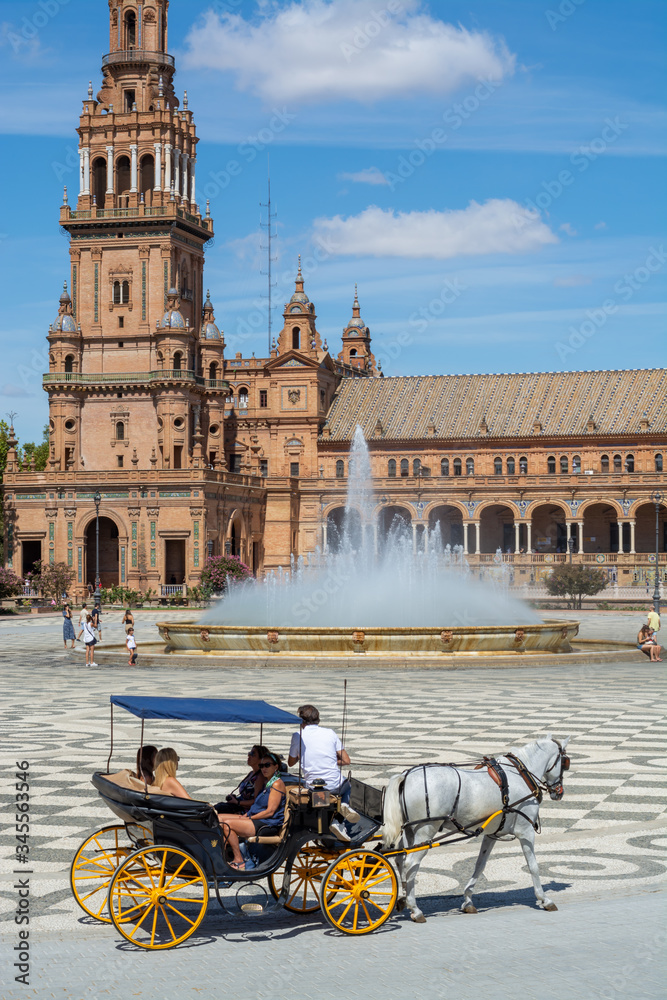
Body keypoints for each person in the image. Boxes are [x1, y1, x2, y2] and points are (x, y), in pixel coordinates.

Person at [288, 704, 357, 841]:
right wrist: (330, 761)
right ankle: (340, 815)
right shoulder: (330, 733)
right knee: (347, 785)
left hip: (313, 787)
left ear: (301, 721)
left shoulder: (297, 735)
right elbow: (346, 760)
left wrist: (303, 755)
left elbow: (291, 762)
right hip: (335, 785)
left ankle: (339, 814)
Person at [218, 752, 286, 869]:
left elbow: (270, 811)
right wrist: (247, 815)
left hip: (268, 822)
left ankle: (239, 860)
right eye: (261, 766)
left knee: (227, 825)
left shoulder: (276, 784)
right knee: (218, 818)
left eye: (267, 765)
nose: (264, 768)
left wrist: (250, 817)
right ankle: (222, 854)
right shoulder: (267, 782)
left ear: (276, 766)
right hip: (256, 817)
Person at [216, 745, 268, 813]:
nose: (249, 756)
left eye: (253, 754)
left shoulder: (260, 777)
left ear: (261, 759)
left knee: (216, 810)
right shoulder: (251, 773)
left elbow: (256, 801)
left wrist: (237, 802)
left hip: (247, 810)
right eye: (249, 753)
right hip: (239, 805)